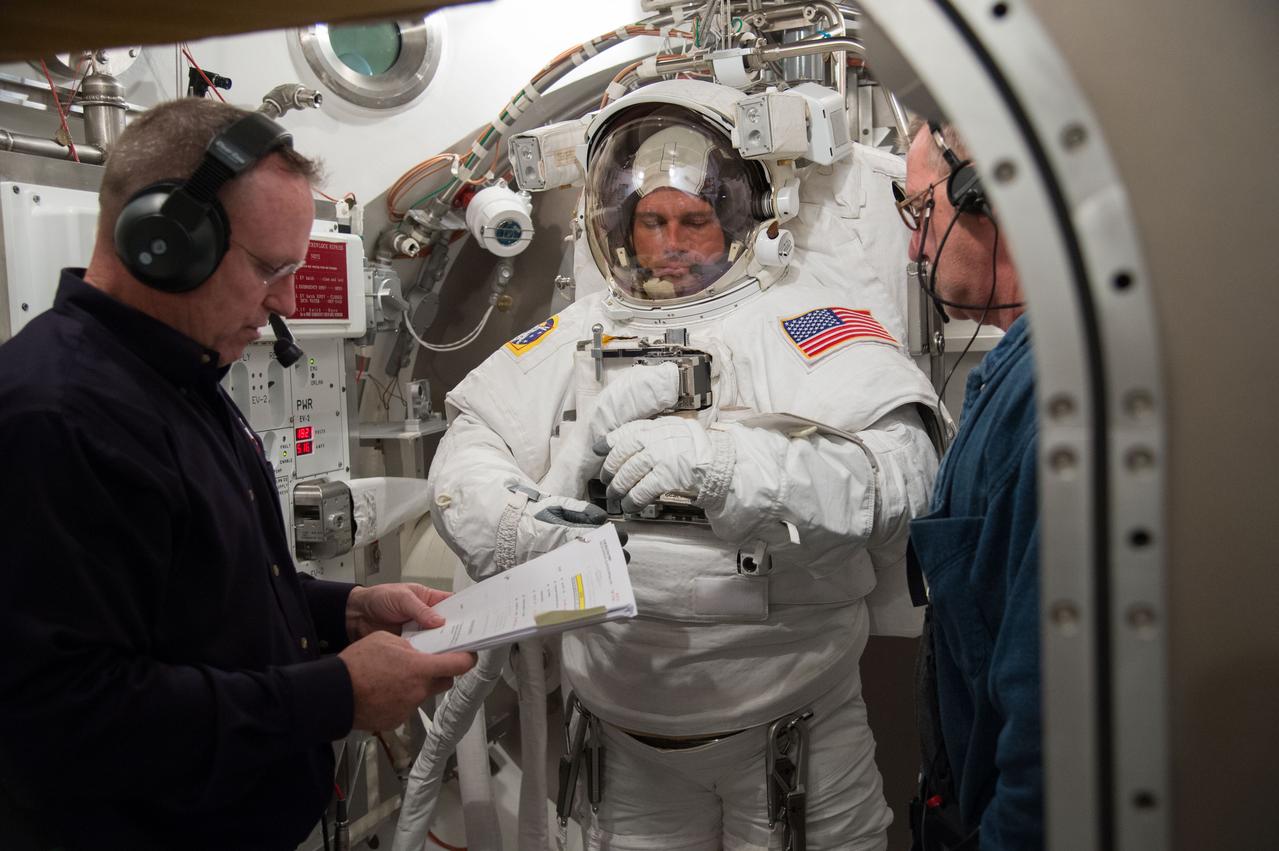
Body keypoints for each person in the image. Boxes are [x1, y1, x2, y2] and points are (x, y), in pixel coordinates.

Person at [428, 80, 941, 850]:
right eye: (652, 220)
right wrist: (516, 526)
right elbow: (472, 438)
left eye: (694, 221)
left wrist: (731, 464)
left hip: (795, 743)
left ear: (734, 220)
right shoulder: (577, 332)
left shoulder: (805, 321)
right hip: (623, 753)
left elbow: (903, 472)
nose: (670, 241)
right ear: (620, 227)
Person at [0, 98, 475, 851]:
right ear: (162, 241)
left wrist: (343, 608)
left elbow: (203, 594)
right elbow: (67, 714)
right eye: (267, 268)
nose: (285, 302)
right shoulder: (52, 417)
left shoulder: (182, 381)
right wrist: (336, 694)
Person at [901, 120, 1042, 849]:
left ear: (985, 196)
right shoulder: (1010, 369)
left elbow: (1045, 722)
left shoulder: (1050, 399)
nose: (914, 246)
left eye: (920, 211)